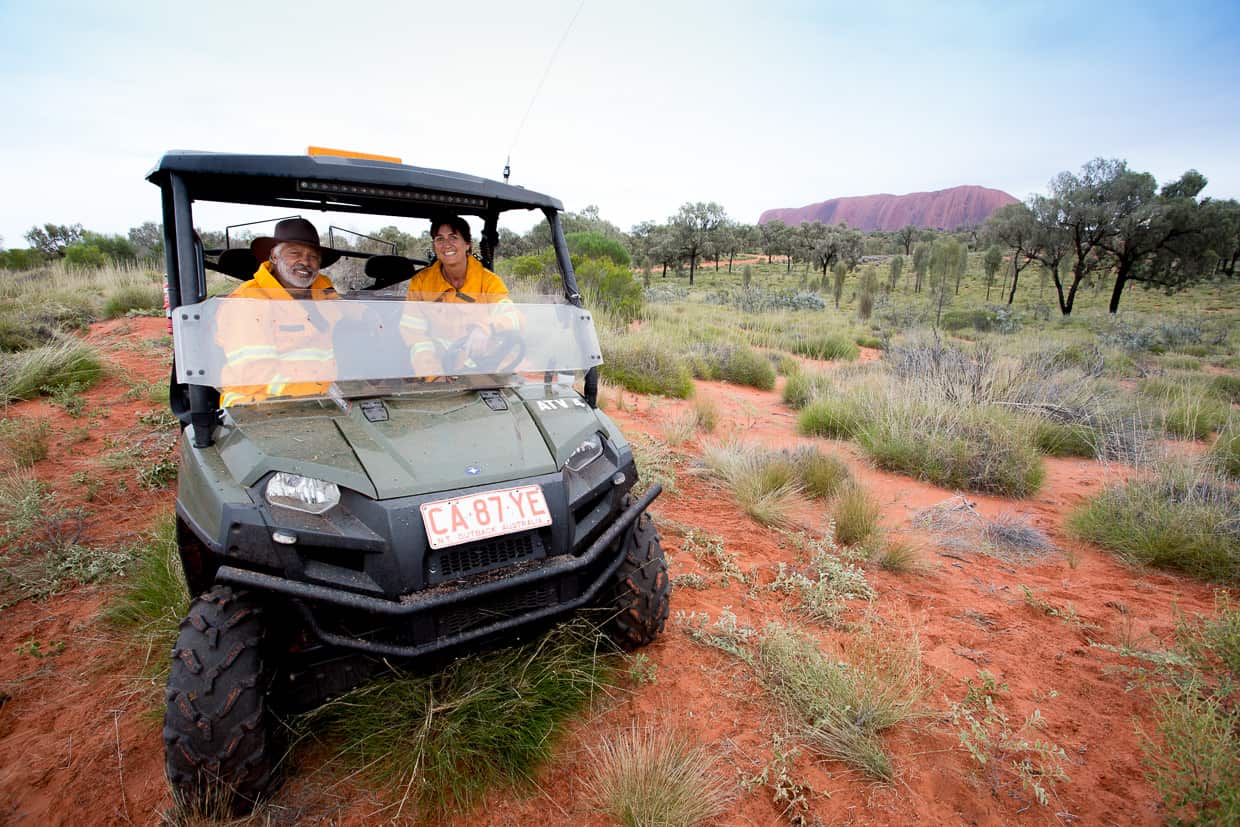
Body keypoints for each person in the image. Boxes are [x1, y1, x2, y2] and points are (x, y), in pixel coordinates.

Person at [219, 218, 341, 407]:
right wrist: (321, 394)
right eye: (295, 253)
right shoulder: (248, 300)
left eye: (313, 256)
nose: (305, 262)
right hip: (261, 408)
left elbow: (352, 317)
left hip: (321, 402)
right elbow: (254, 374)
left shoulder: (323, 292)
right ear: (274, 257)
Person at [403, 215, 520, 373]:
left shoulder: (489, 281)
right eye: (440, 239)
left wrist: (485, 328)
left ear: (467, 245)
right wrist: (434, 376)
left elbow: (512, 316)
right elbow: (415, 336)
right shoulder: (420, 283)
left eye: (453, 237)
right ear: (434, 246)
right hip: (441, 369)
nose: (446, 245)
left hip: (489, 367)